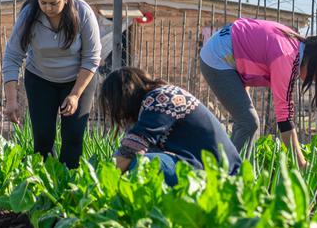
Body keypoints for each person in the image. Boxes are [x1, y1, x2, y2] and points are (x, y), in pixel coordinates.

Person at [198, 18, 317, 168]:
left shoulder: (295, 46)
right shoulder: (287, 57)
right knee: (249, 122)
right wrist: (301, 164)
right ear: (315, 65)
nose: (315, 81)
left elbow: (252, 48)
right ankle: (228, 176)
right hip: (218, 58)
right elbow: (284, 119)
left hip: (227, 52)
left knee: (247, 123)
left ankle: (231, 169)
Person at [2, 0, 101, 169]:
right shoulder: (29, 15)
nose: (47, 8)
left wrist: (75, 95)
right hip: (40, 79)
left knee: (73, 138)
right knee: (42, 139)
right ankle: (46, 189)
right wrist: (11, 101)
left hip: (78, 80)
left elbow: (92, 58)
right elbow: (12, 56)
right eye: (43, 2)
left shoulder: (82, 12)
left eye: (53, 3)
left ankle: (69, 188)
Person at [100, 67, 241, 186]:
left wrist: (102, 184)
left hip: (219, 174)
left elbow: (131, 148)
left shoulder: (160, 98)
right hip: (203, 166)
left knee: (142, 165)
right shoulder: (159, 97)